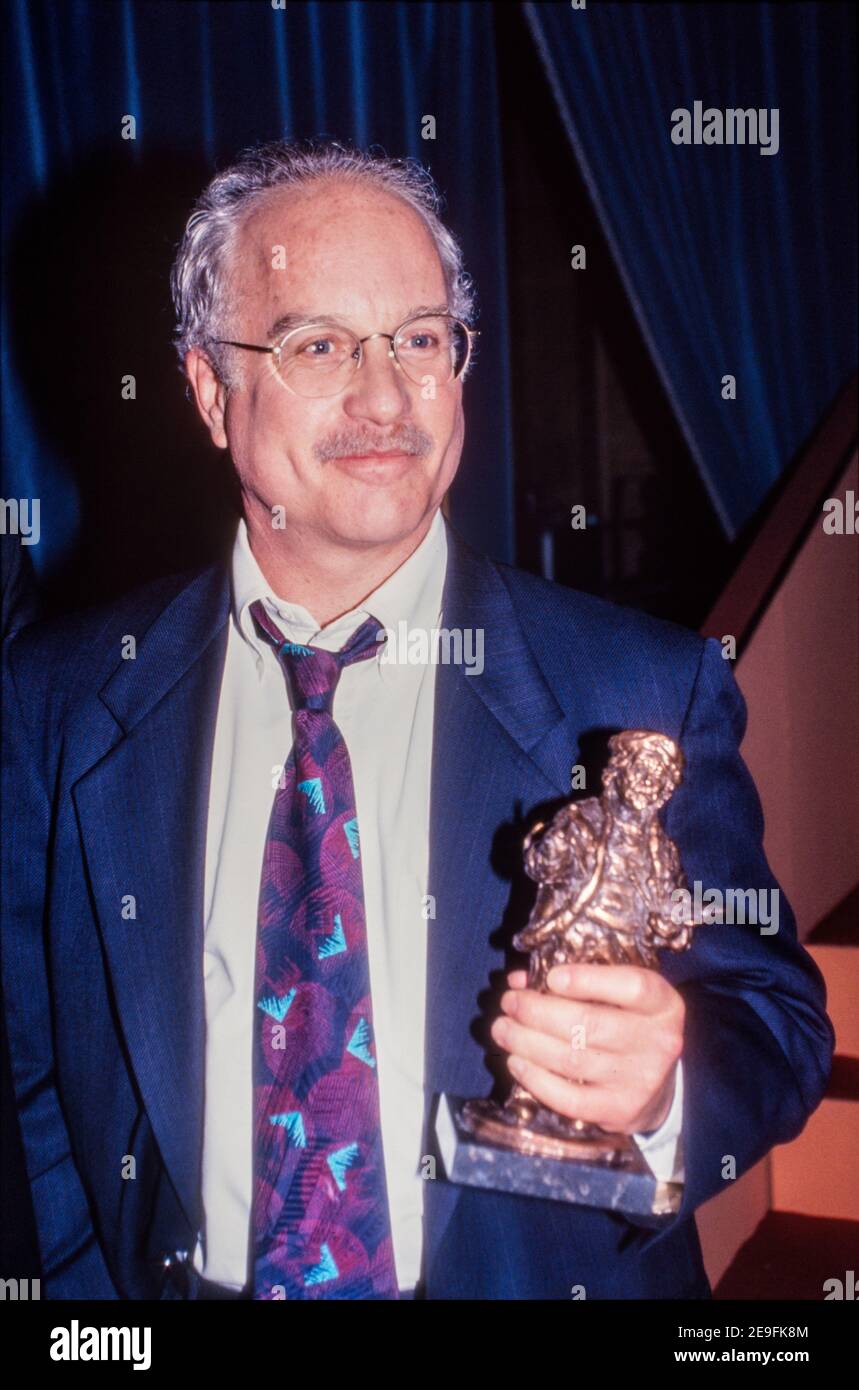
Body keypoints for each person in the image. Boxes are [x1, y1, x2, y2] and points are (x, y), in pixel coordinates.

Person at [1, 139, 833, 1300]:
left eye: (421, 339)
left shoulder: (638, 689)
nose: (385, 397)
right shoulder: (63, 697)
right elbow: (40, 1081)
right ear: (208, 391)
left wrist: (665, 1091)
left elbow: (778, 1021)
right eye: (320, 344)